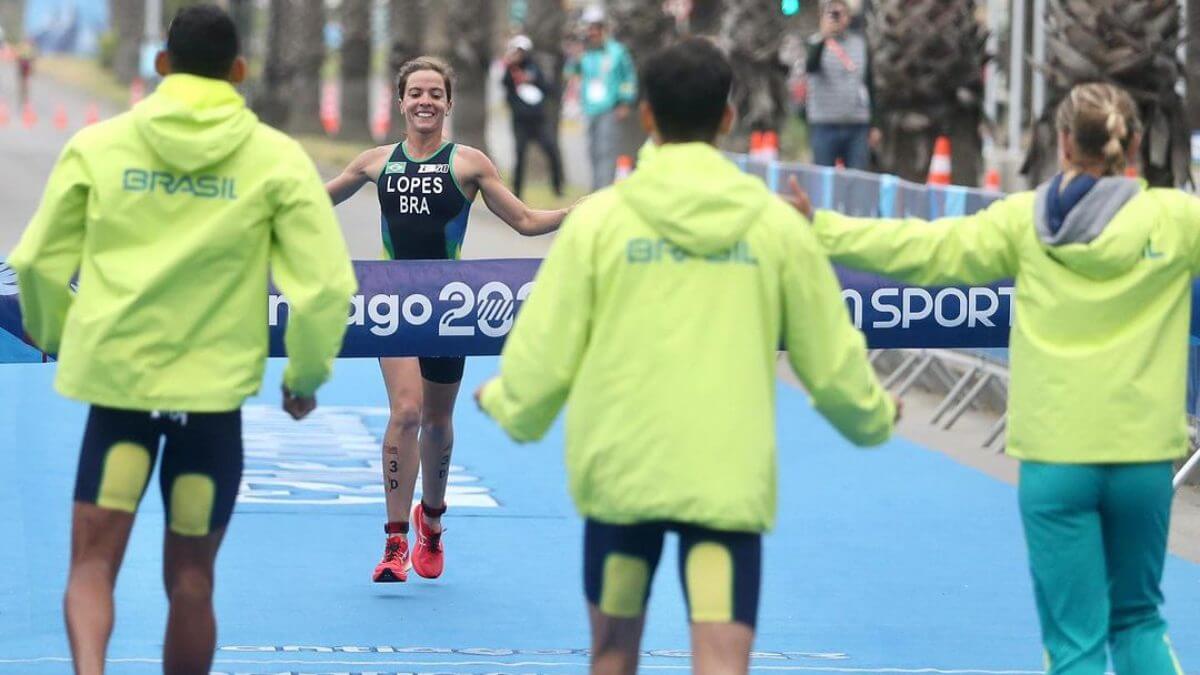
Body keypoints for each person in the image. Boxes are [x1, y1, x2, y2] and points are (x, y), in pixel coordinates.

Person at [476, 37, 897, 675]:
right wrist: (875, 416)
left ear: (645, 115)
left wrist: (508, 404)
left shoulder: (598, 222)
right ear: (727, 118)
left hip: (622, 477)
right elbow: (831, 360)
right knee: (722, 665)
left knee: (613, 656)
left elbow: (546, 348)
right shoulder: (775, 225)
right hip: (725, 480)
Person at [792, 82, 1189, 673]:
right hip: (1144, 460)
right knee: (1139, 623)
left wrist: (822, 229)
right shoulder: (1177, 219)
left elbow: (922, 249)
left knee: (1074, 643)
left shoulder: (1022, 223)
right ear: (1132, 147)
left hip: (1056, 460)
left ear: (1059, 143)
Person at [6, 6, 356, 674]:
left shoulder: (99, 146)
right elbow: (324, 289)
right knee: (193, 577)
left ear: (161, 64)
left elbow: (35, 266)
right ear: (239, 71)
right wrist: (303, 379)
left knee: (90, 567)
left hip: (119, 391)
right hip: (210, 402)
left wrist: (60, 339)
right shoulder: (276, 159)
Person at [325, 56, 571, 584]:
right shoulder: (374, 164)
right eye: (416, 92)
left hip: (447, 309)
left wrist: (581, 213)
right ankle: (394, 542)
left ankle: (430, 522)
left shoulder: (468, 164)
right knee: (407, 413)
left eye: (435, 93)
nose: (425, 102)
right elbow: (309, 206)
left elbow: (526, 222)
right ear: (400, 100)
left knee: (436, 422)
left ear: (449, 103)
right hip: (393, 305)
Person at [564, 6, 637, 190]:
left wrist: (625, 102)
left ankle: (602, 192)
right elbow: (569, 73)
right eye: (590, 28)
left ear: (604, 29)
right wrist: (575, 56)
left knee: (606, 151)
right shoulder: (584, 53)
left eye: (597, 28)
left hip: (610, 108)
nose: (593, 32)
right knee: (592, 152)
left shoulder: (617, 51)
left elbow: (628, 77)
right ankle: (595, 189)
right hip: (589, 109)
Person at [804, 0, 880, 169]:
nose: (837, 19)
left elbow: (869, 85)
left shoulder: (861, 44)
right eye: (832, 14)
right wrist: (824, 36)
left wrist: (874, 124)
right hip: (824, 125)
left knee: (856, 179)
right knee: (823, 178)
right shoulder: (814, 43)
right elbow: (810, 66)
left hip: (857, 126)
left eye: (841, 14)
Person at [502, 34, 564, 198]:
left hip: (538, 121)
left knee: (551, 151)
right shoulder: (510, 71)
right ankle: (517, 191)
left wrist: (534, 80)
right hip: (521, 122)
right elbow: (506, 88)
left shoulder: (534, 68)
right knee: (520, 155)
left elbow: (547, 87)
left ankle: (558, 188)